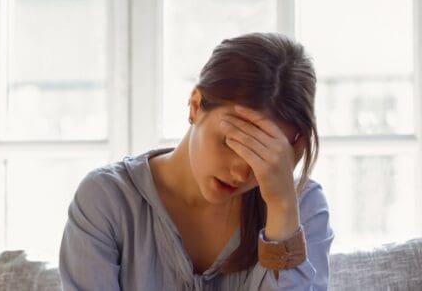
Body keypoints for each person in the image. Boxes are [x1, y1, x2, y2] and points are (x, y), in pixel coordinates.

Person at [60, 32, 334, 290]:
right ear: (195, 105)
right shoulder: (106, 199)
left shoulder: (301, 207)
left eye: (262, 154)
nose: (240, 173)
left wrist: (282, 208)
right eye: (230, 142)